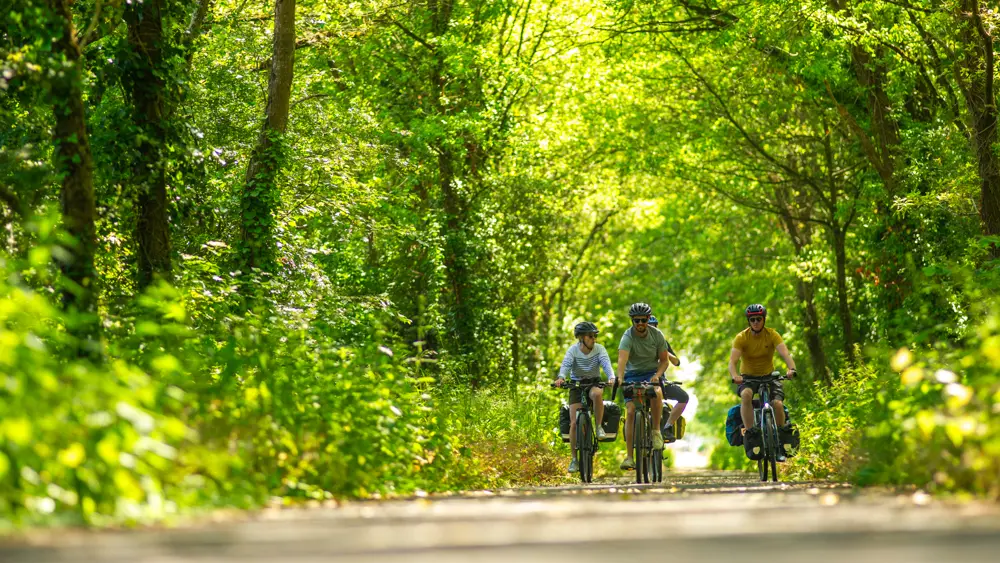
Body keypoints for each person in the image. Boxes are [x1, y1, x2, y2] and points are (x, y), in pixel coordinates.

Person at [616, 303, 689, 470]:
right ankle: (629, 457)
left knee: (657, 392)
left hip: (651, 373)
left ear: (648, 319)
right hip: (632, 375)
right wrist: (620, 377)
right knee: (630, 411)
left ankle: (657, 431)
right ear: (632, 321)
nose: (640, 323)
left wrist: (656, 376)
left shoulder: (657, 335)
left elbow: (665, 361)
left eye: (643, 320)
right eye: (636, 320)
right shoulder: (627, 336)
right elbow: (622, 360)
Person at [727, 303, 797, 461]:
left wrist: (791, 369)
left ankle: (779, 439)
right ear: (748, 321)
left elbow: (785, 353)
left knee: (777, 404)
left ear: (764, 319)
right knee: (746, 395)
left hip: (769, 376)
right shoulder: (741, 338)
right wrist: (735, 375)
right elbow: (732, 361)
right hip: (748, 377)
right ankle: (752, 435)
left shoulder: (772, 334)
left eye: (759, 319)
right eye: (752, 319)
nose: (756, 322)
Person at [554, 321, 615, 473]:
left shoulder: (599, 349)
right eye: (590, 336)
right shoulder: (573, 351)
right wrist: (561, 377)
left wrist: (611, 377)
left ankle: (599, 426)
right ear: (581, 338)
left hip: (593, 383)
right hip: (576, 385)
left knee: (597, 394)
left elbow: (606, 364)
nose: (594, 339)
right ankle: (574, 459)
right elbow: (566, 365)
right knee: (574, 422)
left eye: (595, 336)